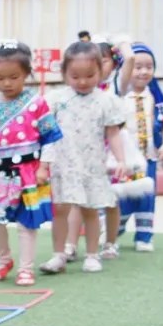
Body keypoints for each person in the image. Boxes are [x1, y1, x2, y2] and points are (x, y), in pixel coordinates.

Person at [0, 41, 63, 287]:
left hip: (28, 173)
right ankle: (3, 261)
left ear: (26, 73)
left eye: (14, 77)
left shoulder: (37, 103)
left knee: (26, 223)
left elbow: (50, 138)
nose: (7, 83)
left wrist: (44, 166)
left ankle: (26, 268)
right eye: (0, 77)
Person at [39, 41, 129, 275]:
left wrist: (120, 160)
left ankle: (91, 254)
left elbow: (113, 132)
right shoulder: (56, 99)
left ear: (100, 71)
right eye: (75, 76)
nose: (82, 81)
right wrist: (43, 162)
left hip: (92, 164)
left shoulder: (106, 100)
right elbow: (45, 131)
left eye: (90, 75)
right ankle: (59, 254)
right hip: (63, 164)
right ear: (65, 73)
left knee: (90, 209)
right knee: (60, 209)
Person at [64, 31, 135, 261]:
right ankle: (70, 245)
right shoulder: (72, 92)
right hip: (81, 151)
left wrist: (120, 41)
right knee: (77, 201)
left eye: (104, 60)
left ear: (113, 63)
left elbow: (130, 58)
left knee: (110, 200)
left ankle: (110, 243)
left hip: (110, 153)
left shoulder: (115, 85)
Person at [115, 42, 163, 253]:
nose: (143, 72)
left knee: (147, 198)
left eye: (148, 67)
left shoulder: (157, 96)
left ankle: (144, 236)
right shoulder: (119, 96)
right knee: (122, 195)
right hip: (125, 158)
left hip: (148, 156)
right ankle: (116, 229)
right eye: (138, 67)